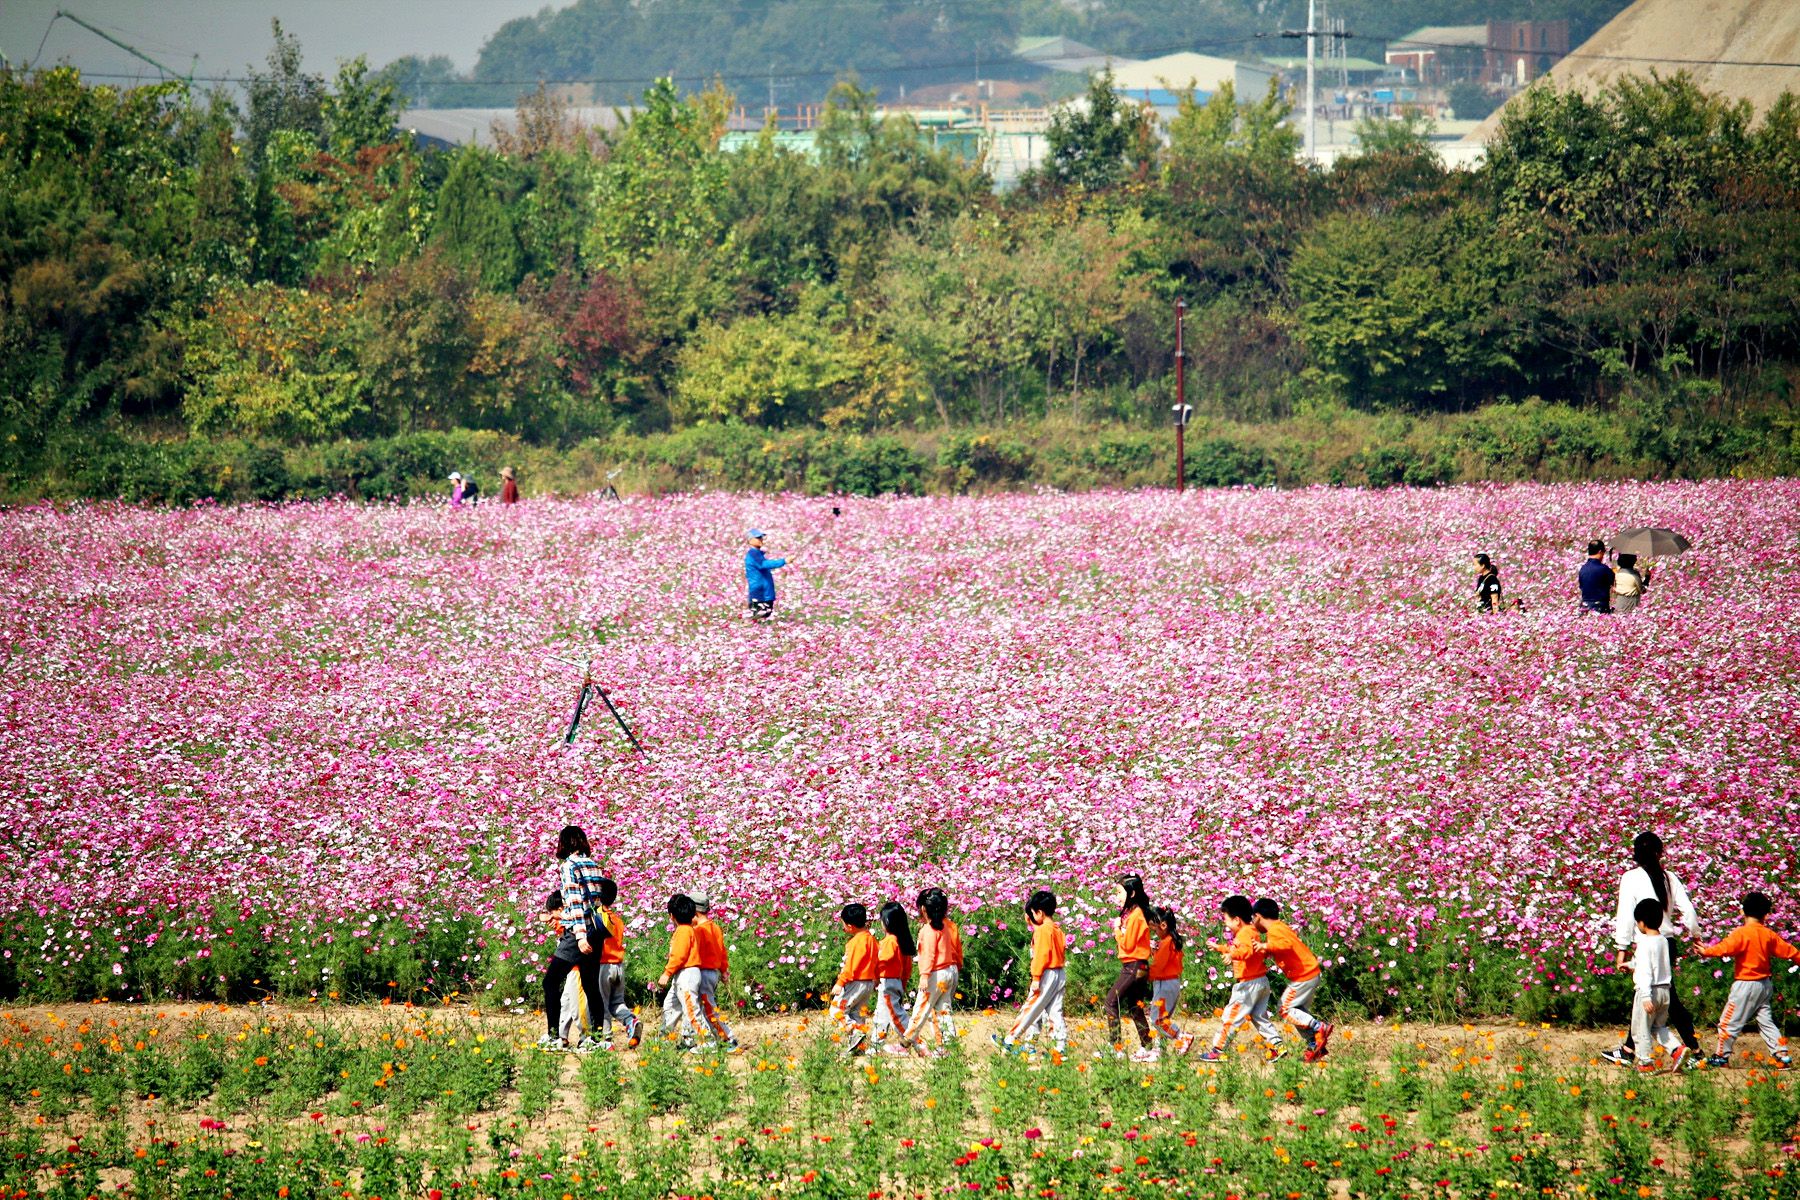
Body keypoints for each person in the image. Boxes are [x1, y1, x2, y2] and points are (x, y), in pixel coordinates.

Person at [1602, 831, 1700, 1066]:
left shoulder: (1631, 877)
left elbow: (1626, 915)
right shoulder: (1669, 878)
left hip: (1646, 942)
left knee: (1658, 998)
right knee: (1660, 995)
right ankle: (1629, 1049)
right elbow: (1688, 909)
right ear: (1659, 853)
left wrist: (1622, 948)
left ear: (1636, 854)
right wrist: (1695, 934)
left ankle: (1693, 1051)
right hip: (1667, 943)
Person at [1696, 892, 1799, 1069]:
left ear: (1742, 912)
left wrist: (1706, 951)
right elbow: (1790, 951)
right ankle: (1781, 1056)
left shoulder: (1742, 933)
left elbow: (1725, 948)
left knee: (1728, 1022)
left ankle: (1721, 1056)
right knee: (1766, 1022)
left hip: (1745, 985)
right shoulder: (1768, 934)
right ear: (1766, 915)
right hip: (1764, 985)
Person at [538, 825, 609, 1053]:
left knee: (550, 982)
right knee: (590, 985)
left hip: (579, 933)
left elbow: (576, 903)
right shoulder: (594, 865)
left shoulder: (569, 866)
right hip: (596, 932)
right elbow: (595, 902)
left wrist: (579, 936)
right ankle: (596, 1039)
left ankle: (554, 1037)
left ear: (564, 843)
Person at [1196, 895, 1287, 1062]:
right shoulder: (1251, 931)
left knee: (1231, 1016)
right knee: (1259, 1017)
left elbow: (1246, 951)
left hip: (1248, 984)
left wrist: (1231, 955)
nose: (1225, 924)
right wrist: (1220, 948)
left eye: (1226, 919)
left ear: (1237, 920)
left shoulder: (1244, 933)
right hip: (1261, 981)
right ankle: (1277, 1045)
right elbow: (1238, 948)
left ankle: (1218, 1049)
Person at [1253, 898, 1332, 1060]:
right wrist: (1263, 951)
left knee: (1284, 1008)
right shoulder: (1279, 928)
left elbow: (1286, 944)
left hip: (1304, 975)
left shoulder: (1275, 930)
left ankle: (1319, 1027)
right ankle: (1314, 1044)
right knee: (1297, 1011)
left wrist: (1265, 946)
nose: (1253, 923)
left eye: (1252, 918)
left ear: (1258, 916)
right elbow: (1280, 948)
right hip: (1308, 974)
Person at [1619, 897, 1688, 1073]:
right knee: (1658, 1027)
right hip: (1665, 990)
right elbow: (1653, 963)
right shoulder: (1663, 941)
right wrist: (1630, 965)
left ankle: (1645, 1063)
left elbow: (1645, 971)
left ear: (1642, 922)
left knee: (1640, 1029)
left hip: (1649, 991)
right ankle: (1677, 1049)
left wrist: (1645, 996)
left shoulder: (1644, 943)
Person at [995, 889, 1067, 1057]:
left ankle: (1010, 1040)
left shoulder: (1042, 931)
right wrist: (1034, 924)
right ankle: (1059, 1048)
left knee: (1031, 1008)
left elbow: (1041, 955)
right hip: (1059, 973)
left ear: (1039, 912)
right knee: (1054, 1011)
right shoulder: (1056, 929)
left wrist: (1036, 977)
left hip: (1046, 974)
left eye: (1033, 913)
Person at [902, 888, 962, 1055]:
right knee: (943, 1010)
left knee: (923, 1005)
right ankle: (948, 1046)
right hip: (949, 971)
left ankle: (909, 1036)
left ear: (923, 909)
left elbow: (928, 955)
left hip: (936, 974)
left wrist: (924, 975)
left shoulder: (928, 930)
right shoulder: (945, 928)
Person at [1102, 874, 1155, 1058]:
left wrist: (1117, 930)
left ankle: (1115, 1047)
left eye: (1119, 892)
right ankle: (1147, 1047)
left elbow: (1128, 945)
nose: (1117, 897)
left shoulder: (1136, 916)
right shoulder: (1135, 914)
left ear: (1131, 893)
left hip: (1133, 965)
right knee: (1134, 1007)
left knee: (1111, 1002)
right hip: (1139, 966)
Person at [592, 877, 642, 1050]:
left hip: (603, 965)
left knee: (602, 1004)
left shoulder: (597, 917)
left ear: (597, 897)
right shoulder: (618, 920)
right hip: (618, 966)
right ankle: (630, 1020)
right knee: (617, 1003)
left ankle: (605, 1039)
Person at [653, 894, 708, 1048]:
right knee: (671, 1006)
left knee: (691, 1009)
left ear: (672, 916)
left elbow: (679, 956)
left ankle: (706, 1041)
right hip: (683, 974)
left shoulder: (683, 931)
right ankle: (664, 1039)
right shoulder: (689, 930)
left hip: (687, 974)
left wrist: (667, 973)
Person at [691, 891, 738, 1051]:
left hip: (703, 973)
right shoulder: (715, 927)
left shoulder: (699, 931)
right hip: (713, 973)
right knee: (705, 1007)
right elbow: (722, 951)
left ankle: (728, 1038)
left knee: (708, 1009)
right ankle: (713, 1039)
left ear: (695, 912)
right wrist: (724, 971)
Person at [830, 903, 879, 1054]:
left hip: (855, 982)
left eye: (843, 924)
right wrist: (876, 979)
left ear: (850, 926)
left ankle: (855, 1030)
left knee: (836, 1010)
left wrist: (840, 983)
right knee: (857, 1013)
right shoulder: (872, 940)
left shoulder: (855, 942)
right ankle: (857, 1047)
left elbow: (850, 967)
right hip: (868, 983)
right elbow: (877, 961)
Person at [1146, 907, 1190, 1061]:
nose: (1154, 931)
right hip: (1172, 982)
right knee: (1163, 1018)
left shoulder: (1166, 943)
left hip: (1163, 983)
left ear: (1163, 925)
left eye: (1154, 927)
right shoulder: (1172, 941)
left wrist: (1145, 976)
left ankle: (1181, 1037)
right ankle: (1159, 1050)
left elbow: (1158, 966)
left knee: (1157, 1019)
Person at [872, 901, 916, 1054]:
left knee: (896, 1016)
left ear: (887, 921)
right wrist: (903, 984)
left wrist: (873, 968)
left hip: (888, 983)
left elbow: (883, 959)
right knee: (881, 1015)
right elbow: (907, 968)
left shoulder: (890, 941)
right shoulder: (902, 941)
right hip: (894, 982)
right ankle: (875, 1046)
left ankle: (915, 1041)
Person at [545, 889, 584, 1048]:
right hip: (572, 969)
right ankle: (561, 1036)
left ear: (561, 909)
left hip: (576, 969)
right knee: (566, 1002)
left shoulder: (572, 922)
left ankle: (586, 1037)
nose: (551, 917)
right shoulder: (565, 924)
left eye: (552, 913)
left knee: (576, 1007)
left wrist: (559, 919)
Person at [744, 530, 788, 622]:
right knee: (760, 616)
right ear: (750, 540)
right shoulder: (753, 554)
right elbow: (763, 564)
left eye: (761, 537)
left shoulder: (758, 554)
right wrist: (784, 561)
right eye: (758, 538)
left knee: (765, 615)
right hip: (760, 592)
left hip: (764, 591)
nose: (761, 539)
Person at [1578, 539, 1614, 613]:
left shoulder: (1583, 569)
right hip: (1600, 607)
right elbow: (1613, 582)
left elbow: (1581, 586)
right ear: (1600, 552)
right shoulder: (1604, 569)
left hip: (1585, 606)